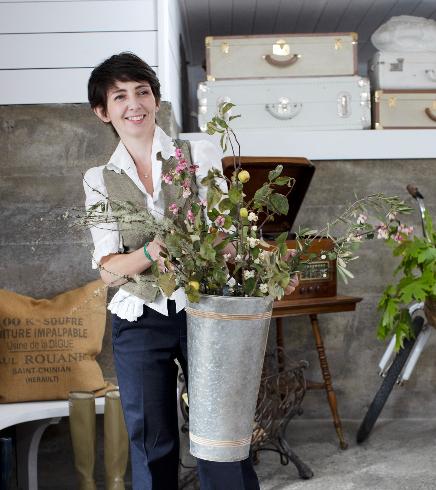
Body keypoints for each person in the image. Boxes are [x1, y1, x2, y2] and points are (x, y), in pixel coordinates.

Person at [83, 52, 298, 490]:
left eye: (142, 91)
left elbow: (225, 235)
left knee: (220, 437)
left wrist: (269, 266)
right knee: (150, 440)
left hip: (207, 309)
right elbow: (109, 271)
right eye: (120, 96)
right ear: (103, 112)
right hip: (138, 319)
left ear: (156, 100)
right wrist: (151, 250)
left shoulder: (196, 153)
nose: (134, 104)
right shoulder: (98, 179)